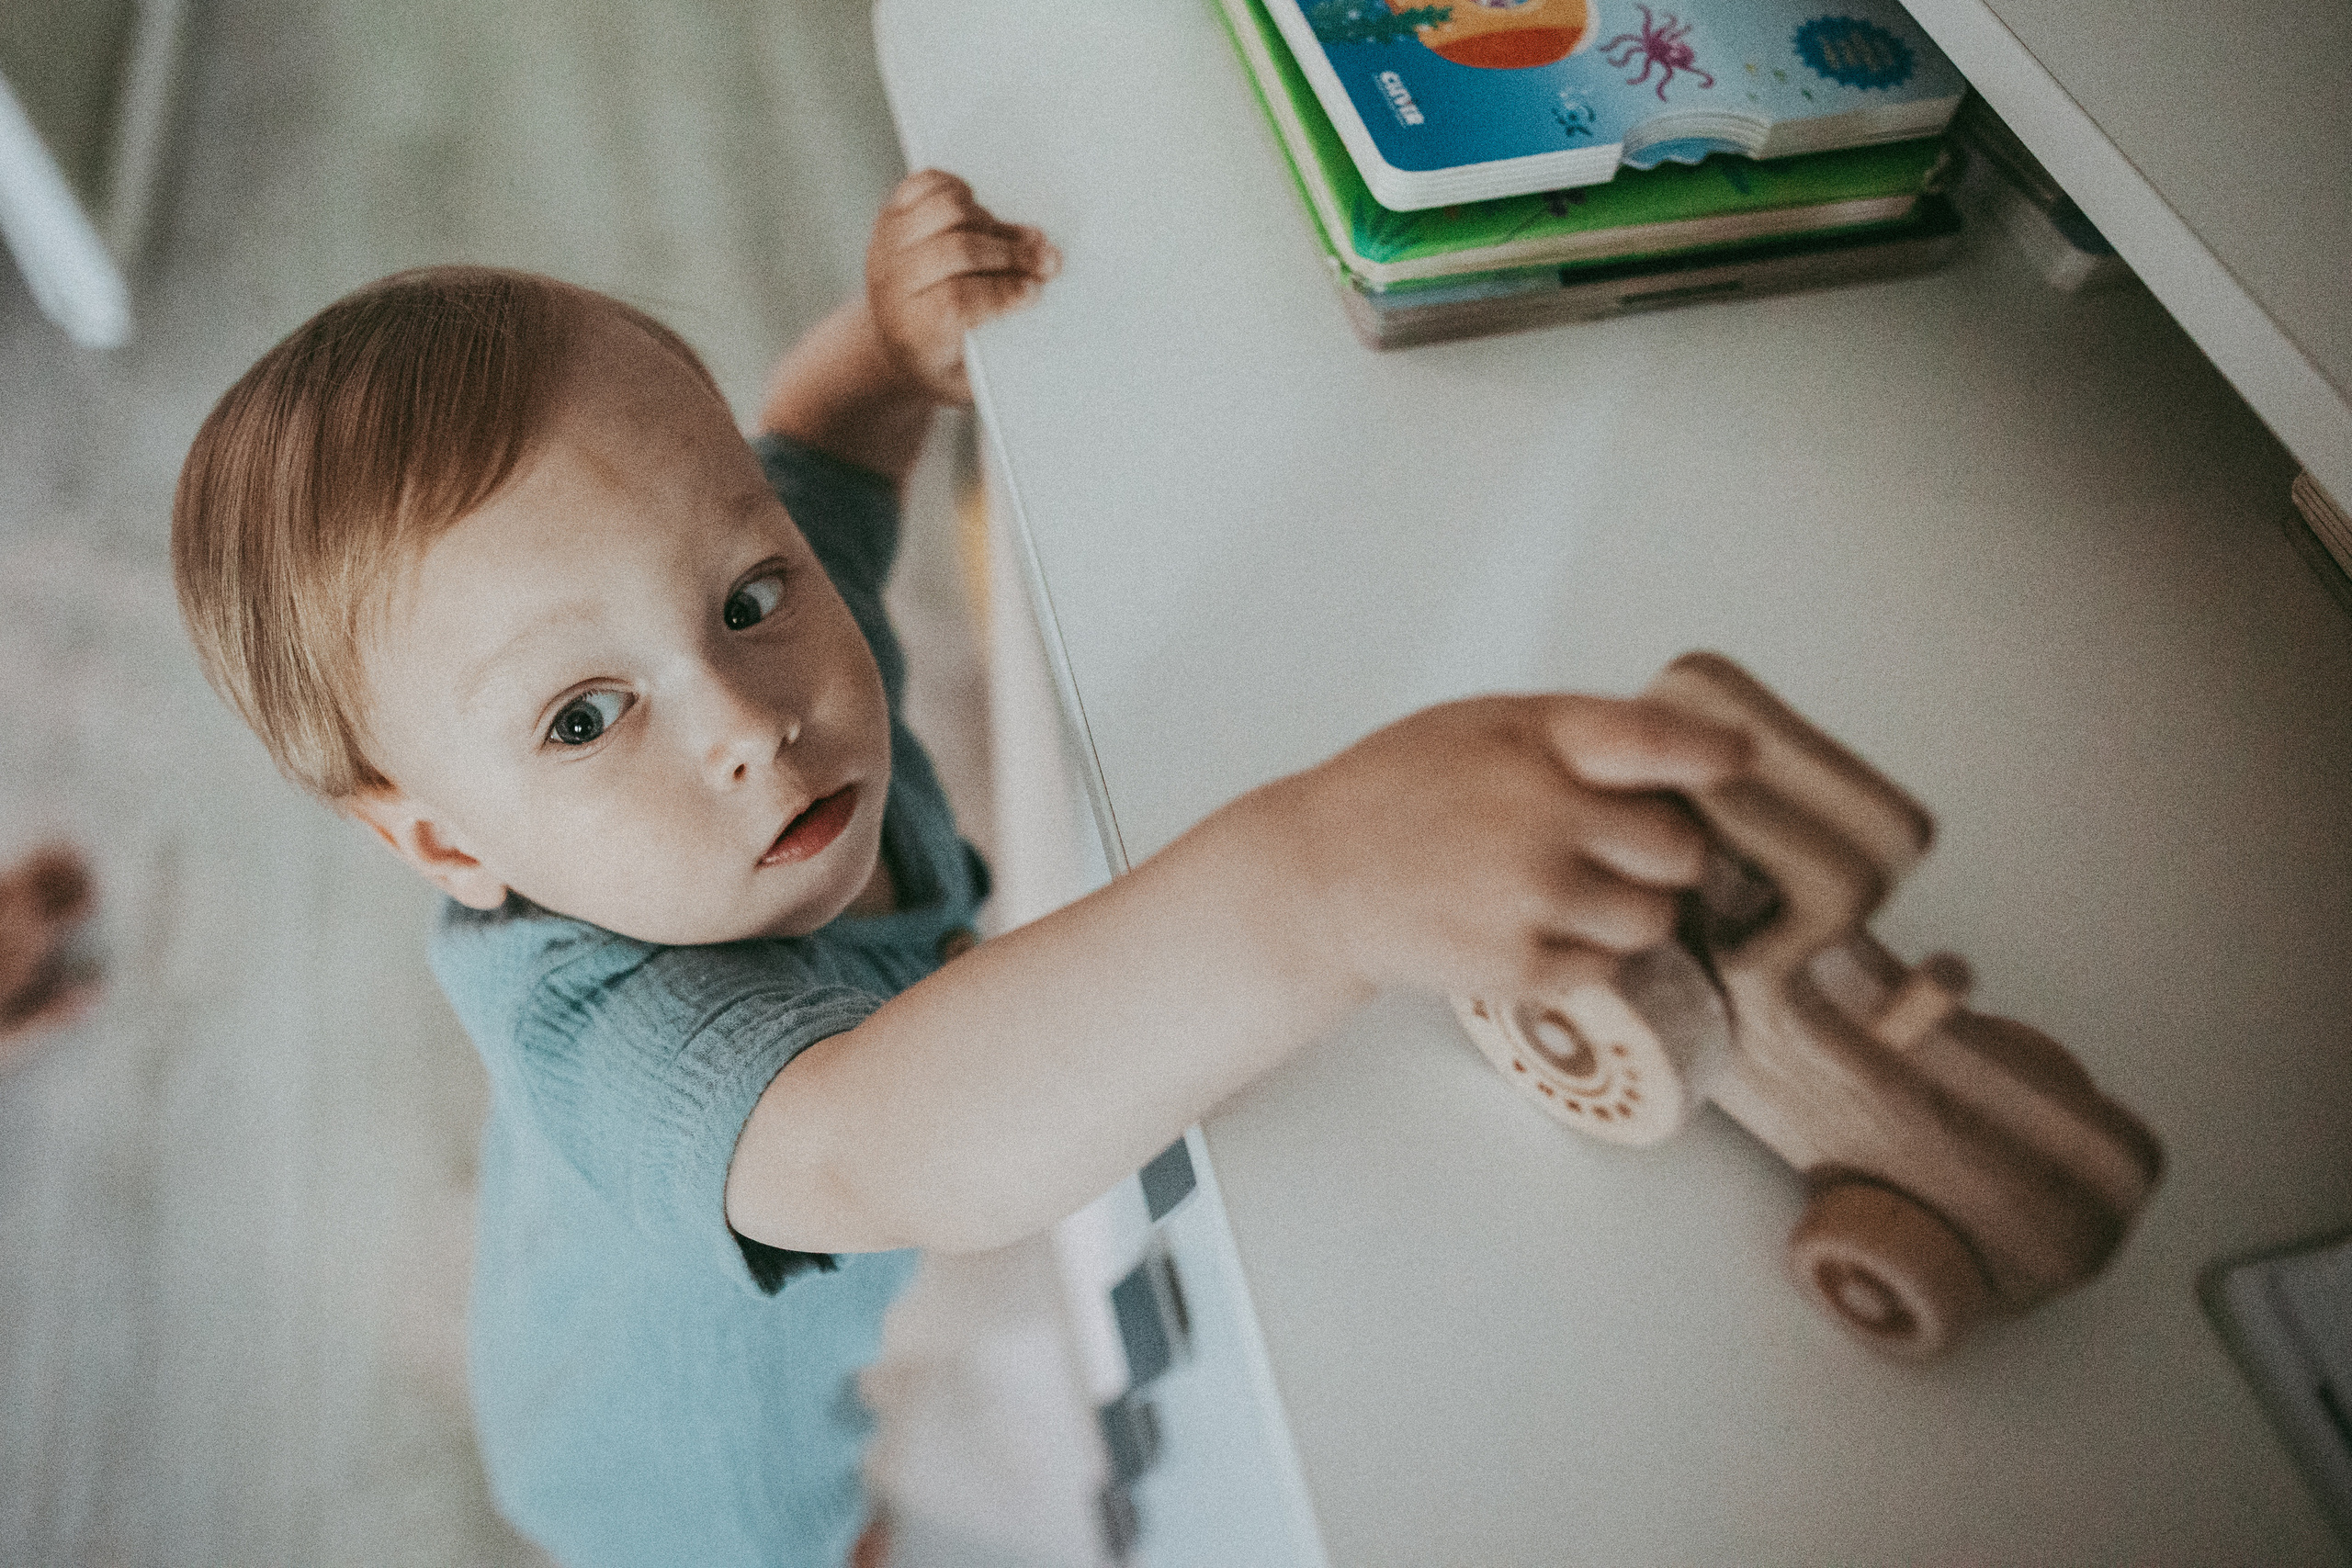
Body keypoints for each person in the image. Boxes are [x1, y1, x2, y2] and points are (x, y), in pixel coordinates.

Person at [170, 168, 1747, 1567]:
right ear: (445, 842)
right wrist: (1320, 873)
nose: (749, 720)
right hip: (670, 1471)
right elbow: (893, 1154)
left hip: (739, 1268)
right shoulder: (608, 1040)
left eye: (742, 597)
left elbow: (813, 466)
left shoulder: (756, 611)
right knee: (787, 1523)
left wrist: (881, 350)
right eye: (585, 718)